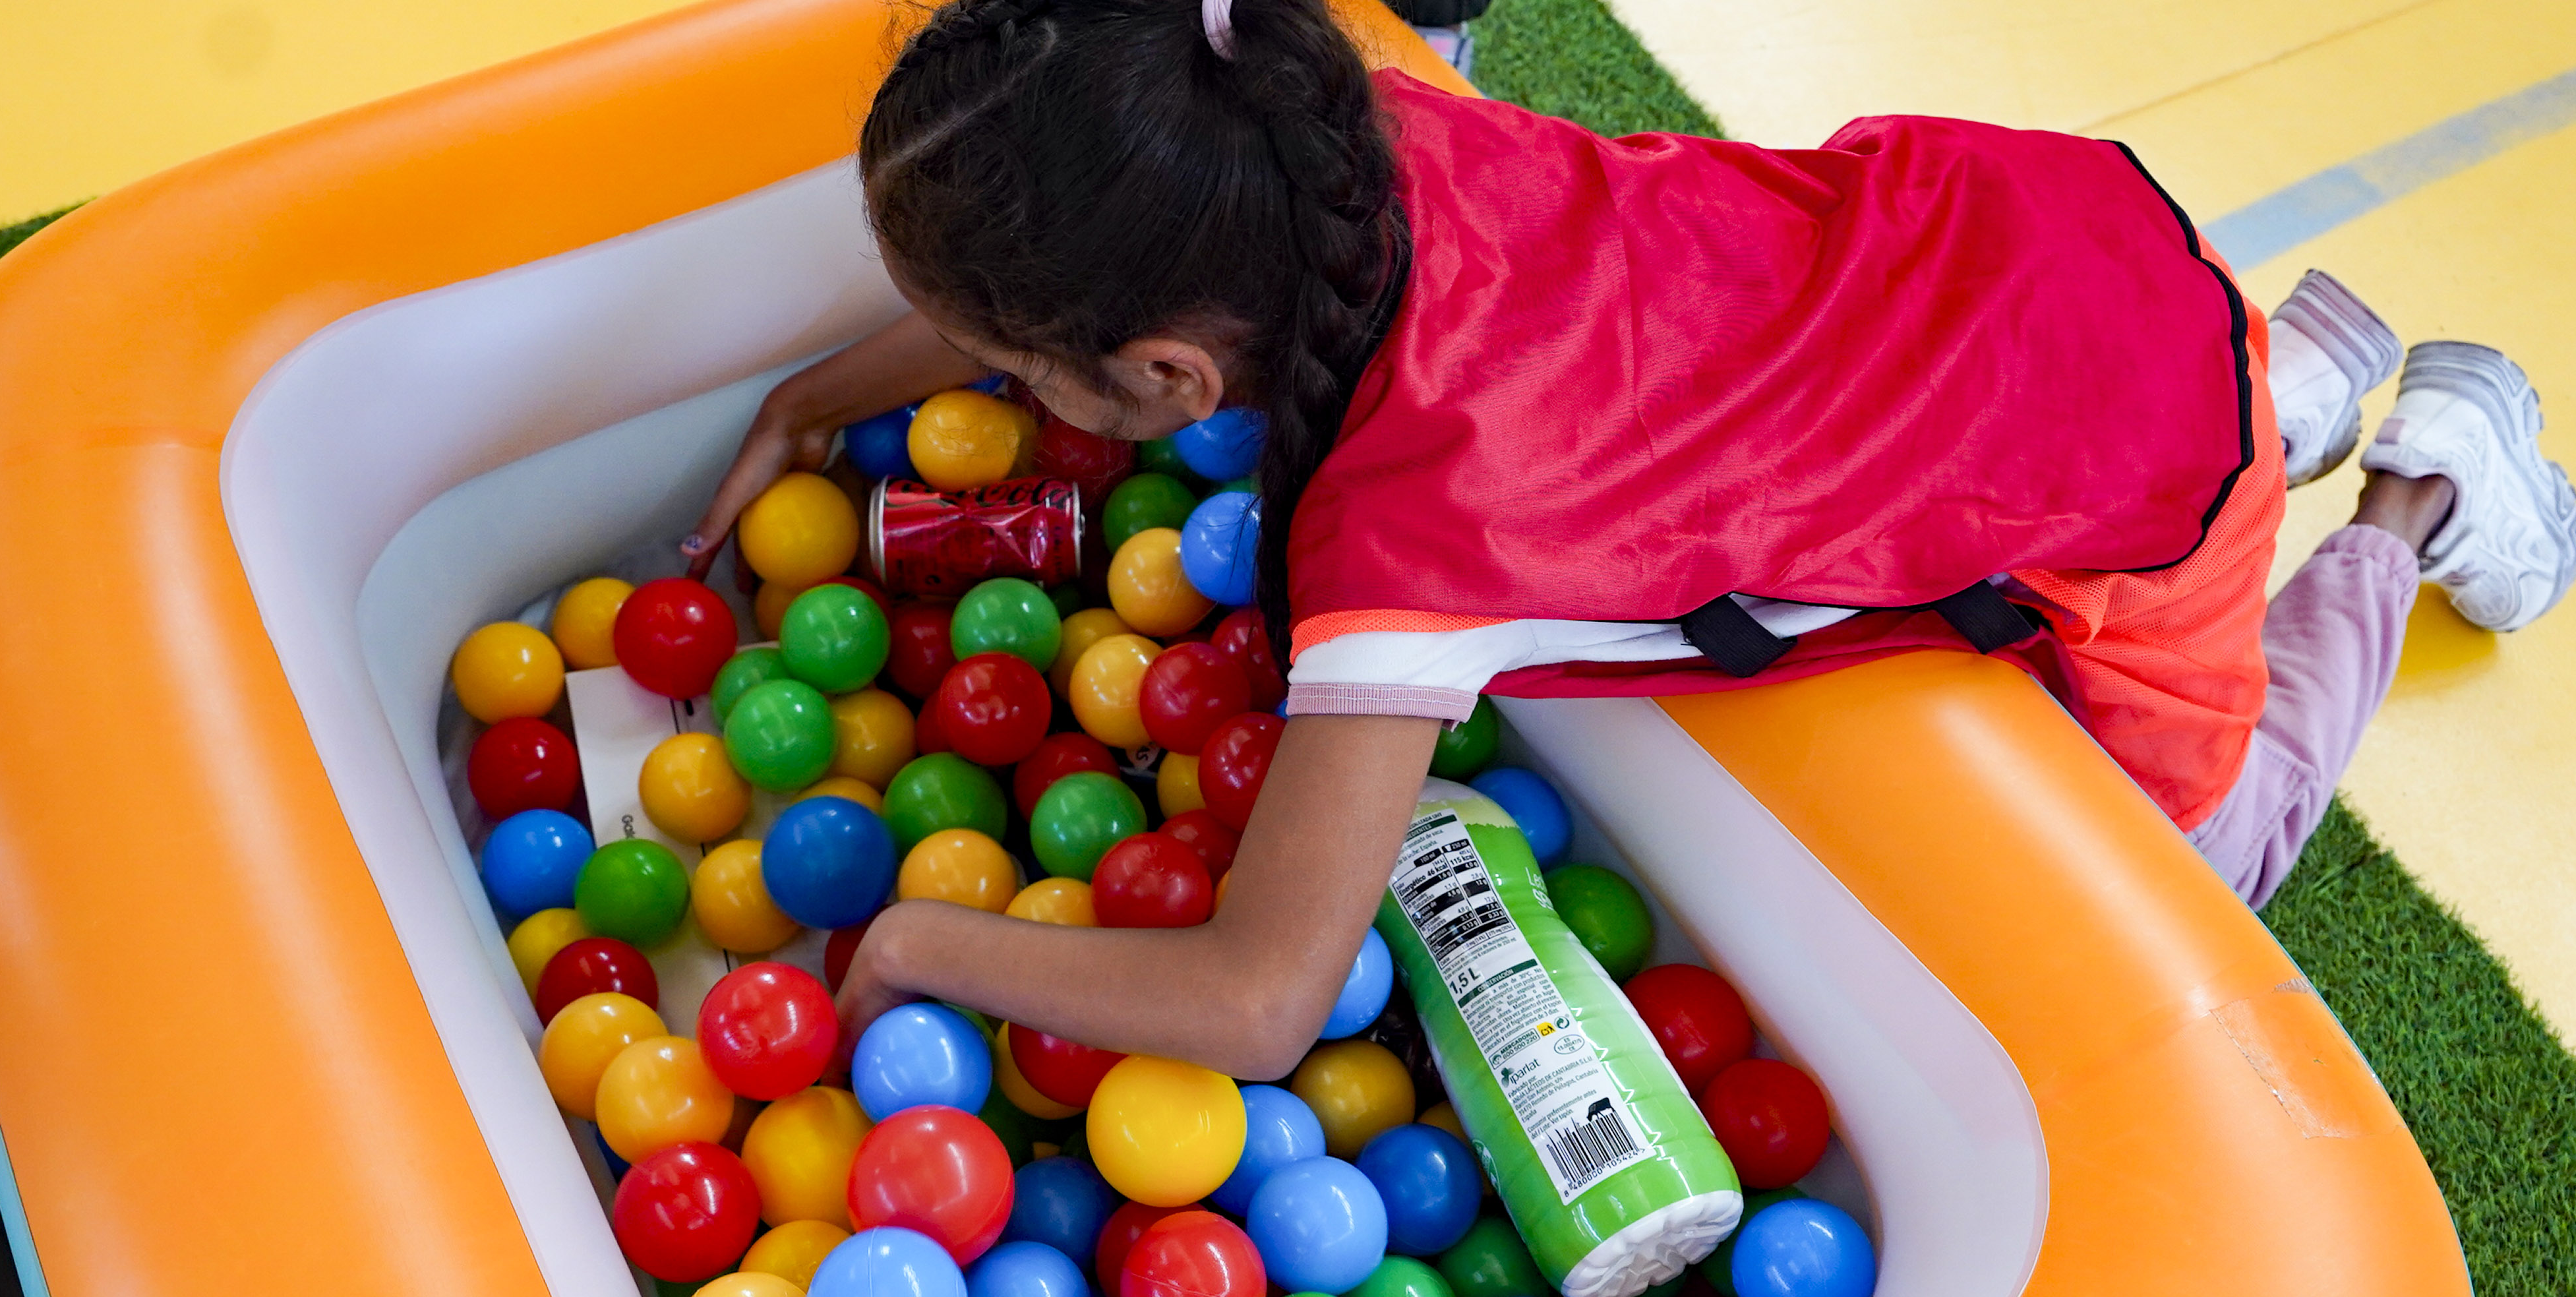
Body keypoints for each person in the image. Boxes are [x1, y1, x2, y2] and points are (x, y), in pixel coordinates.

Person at [682, 0, 2576, 1079]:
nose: (998, 387)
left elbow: (1260, 1001)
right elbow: (1098, 271)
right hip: (2021, 243)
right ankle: (2283, 369)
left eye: (1017, 370)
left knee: (2196, 861)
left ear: (1171, 374)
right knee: (2159, 367)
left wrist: (924, 938)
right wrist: (812, 397)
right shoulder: (1320, 139)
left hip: (2128, 460)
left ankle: (2415, 486)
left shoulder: (1419, 531)